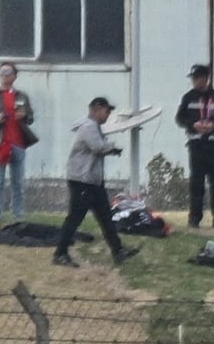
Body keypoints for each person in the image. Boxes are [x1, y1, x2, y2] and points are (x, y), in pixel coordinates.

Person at [49, 96, 149, 267]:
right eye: (106, 111)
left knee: (106, 218)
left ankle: (118, 251)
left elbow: (99, 147)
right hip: (82, 181)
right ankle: (60, 253)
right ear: (96, 109)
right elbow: (98, 146)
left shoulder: (94, 127)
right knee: (75, 218)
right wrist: (113, 147)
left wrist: (109, 148)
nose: (108, 114)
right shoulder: (88, 126)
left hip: (93, 182)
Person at [175, 62, 214, 228]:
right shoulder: (188, 97)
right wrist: (193, 124)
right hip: (196, 144)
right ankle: (195, 217)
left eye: (198, 78)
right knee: (196, 182)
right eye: (194, 79)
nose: (196, 82)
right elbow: (180, 118)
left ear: (206, 78)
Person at [0, 66, 37, 224]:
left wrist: (24, 116)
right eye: (1, 73)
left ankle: (18, 216)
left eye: (7, 73)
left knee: (18, 184)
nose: (4, 76)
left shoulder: (22, 96)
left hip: (18, 144)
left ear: (15, 76)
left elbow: (31, 118)